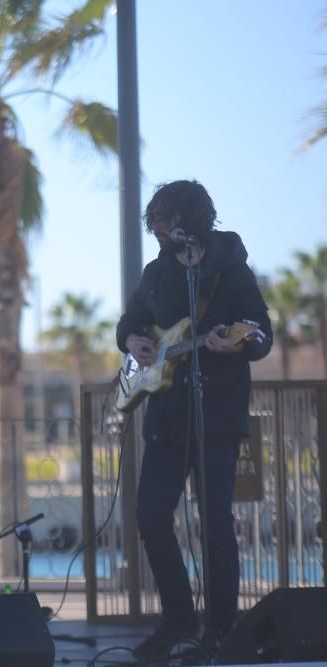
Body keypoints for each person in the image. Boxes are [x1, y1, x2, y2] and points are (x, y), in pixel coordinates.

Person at [116, 180, 273, 659]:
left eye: (166, 218)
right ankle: (179, 617)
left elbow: (263, 333)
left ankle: (221, 629)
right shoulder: (156, 273)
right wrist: (133, 343)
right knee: (150, 516)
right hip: (166, 417)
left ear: (190, 217)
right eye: (156, 221)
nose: (160, 228)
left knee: (216, 526)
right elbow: (130, 323)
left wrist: (239, 343)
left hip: (217, 417)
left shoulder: (230, 267)